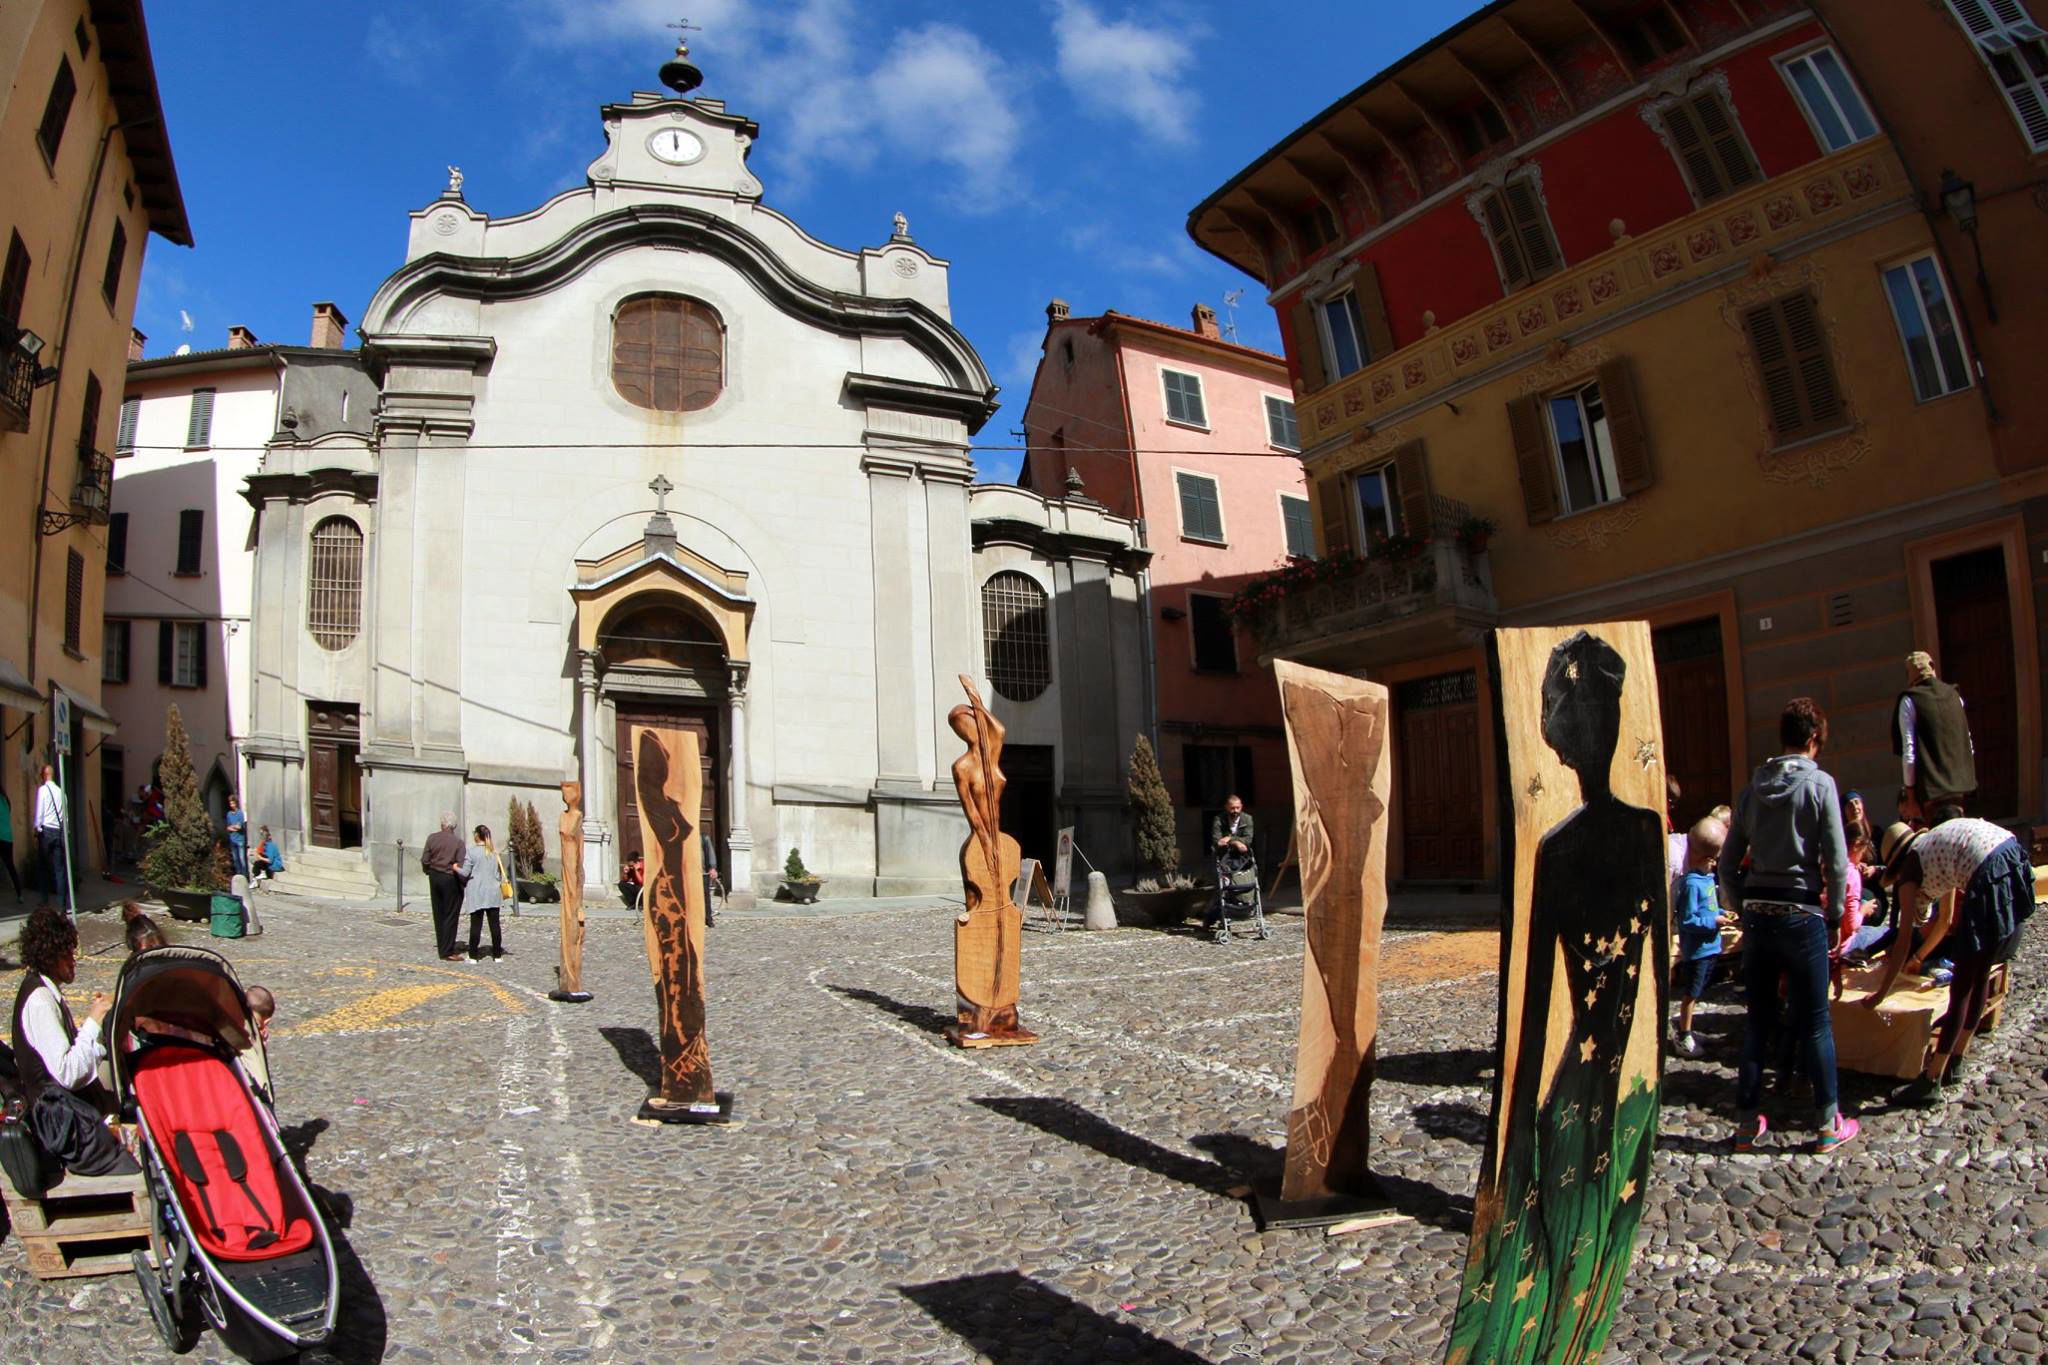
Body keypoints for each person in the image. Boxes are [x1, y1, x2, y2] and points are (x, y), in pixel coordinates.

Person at [1720, 697, 1858, 1153]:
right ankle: (1825, 1125)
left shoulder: (1751, 788)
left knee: (1758, 1020)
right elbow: (1837, 862)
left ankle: (1745, 1124)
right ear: (1815, 738)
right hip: (1802, 913)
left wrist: (1743, 905)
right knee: (1816, 1021)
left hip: (1760, 914)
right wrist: (1836, 914)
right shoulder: (1820, 785)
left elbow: (1726, 862)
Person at [1864, 818, 2034, 1104]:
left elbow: (1904, 937)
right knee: (1980, 972)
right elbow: (1942, 921)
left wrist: (1881, 994)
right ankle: (1957, 1059)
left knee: (1962, 986)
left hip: (1988, 868)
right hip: (2010, 853)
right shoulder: (1935, 849)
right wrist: (1920, 958)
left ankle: (1931, 1080)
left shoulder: (1911, 872)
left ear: (1896, 862)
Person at [12, 908, 137, 1175]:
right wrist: (93, 1020)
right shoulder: (40, 1002)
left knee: (113, 1069)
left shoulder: (44, 990)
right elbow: (68, 1074)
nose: (73, 960)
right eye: (66, 954)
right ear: (49, 956)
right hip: (59, 1123)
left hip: (63, 1108)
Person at [1893, 651, 1975, 824]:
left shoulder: (1909, 701)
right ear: (1933, 668)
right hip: (1958, 790)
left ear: (1910, 675)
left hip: (1931, 793)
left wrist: (1911, 795)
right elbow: (1969, 745)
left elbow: (1909, 753)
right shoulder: (1955, 696)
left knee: (1940, 845)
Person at [1672, 816, 1726, 1057]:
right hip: (1695, 947)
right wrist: (1712, 921)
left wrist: (1721, 914)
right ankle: (1683, 1035)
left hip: (1708, 946)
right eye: (1713, 861)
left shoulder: (1704, 879)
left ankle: (1688, 1028)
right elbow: (1686, 917)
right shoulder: (1686, 878)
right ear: (1705, 859)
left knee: (1697, 989)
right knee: (1690, 994)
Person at [461, 824, 510, 961]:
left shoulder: (471, 852)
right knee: (495, 925)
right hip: (493, 892)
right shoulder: (494, 853)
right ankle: (497, 955)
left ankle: (473, 956)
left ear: (477, 835)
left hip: (477, 892)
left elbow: (465, 872)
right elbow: (499, 874)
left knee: (476, 925)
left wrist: (454, 868)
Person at [423, 813, 467, 963]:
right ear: (454, 826)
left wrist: (428, 870)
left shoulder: (432, 838)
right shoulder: (458, 843)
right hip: (450, 878)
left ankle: (443, 945)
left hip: (435, 876)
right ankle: (447, 950)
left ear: (442, 824)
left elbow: (425, 859)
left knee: (438, 912)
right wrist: (463, 883)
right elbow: (461, 865)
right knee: (450, 914)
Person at [32, 764, 67, 910]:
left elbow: (39, 812)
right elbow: (66, 817)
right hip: (58, 832)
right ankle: (62, 906)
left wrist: (37, 828)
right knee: (59, 870)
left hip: (46, 832)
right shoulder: (61, 792)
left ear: (44, 775)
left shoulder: (43, 790)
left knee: (44, 868)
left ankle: (45, 903)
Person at [0, 782, 20, 903]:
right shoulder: (6, 800)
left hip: (0, 836)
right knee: (10, 866)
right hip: (8, 837)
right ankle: (19, 893)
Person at [223, 794, 248, 879]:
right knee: (235, 859)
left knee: (242, 859)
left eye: (233, 803)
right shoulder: (229, 814)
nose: (232, 805)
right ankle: (238, 876)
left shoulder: (240, 813)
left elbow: (240, 826)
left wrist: (233, 827)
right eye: (230, 804)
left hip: (240, 839)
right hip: (232, 839)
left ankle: (244, 876)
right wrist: (233, 827)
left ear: (236, 803)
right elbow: (228, 827)